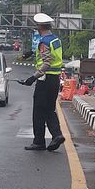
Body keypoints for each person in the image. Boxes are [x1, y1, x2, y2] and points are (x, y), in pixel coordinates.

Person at [19, 13, 66, 151]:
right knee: (49, 109)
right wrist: (32, 53)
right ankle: (57, 135)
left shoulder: (43, 42)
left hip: (45, 80)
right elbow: (51, 54)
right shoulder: (55, 40)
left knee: (39, 111)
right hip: (55, 80)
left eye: (37, 26)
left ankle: (39, 141)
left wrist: (32, 78)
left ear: (40, 27)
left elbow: (46, 62)